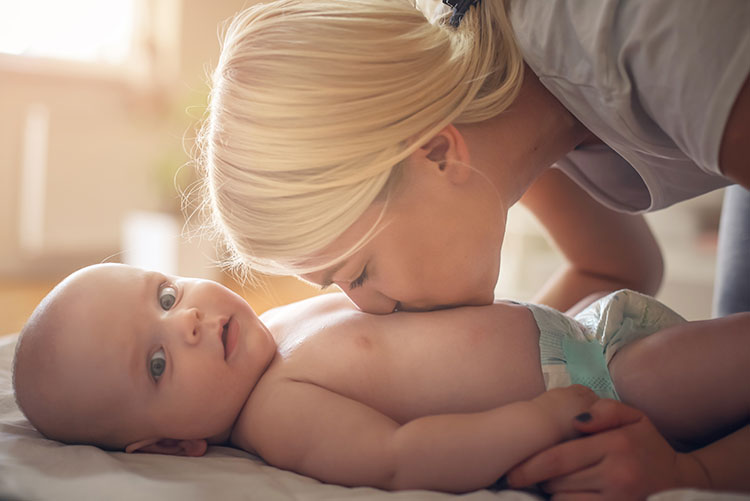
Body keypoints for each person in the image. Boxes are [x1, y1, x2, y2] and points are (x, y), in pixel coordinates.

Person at [194, 0, 750, 495]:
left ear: (438, 154)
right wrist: (505, 379)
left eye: (360, 271)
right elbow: (617, 264)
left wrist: (694, 476)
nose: (367, 308)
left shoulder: (635, 34)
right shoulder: (483, 95)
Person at [11, 263, 750, 495]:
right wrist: (538, 419)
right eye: (158, 362)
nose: (189, 323)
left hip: (590, 324)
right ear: (170, 445)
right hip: (608, 382)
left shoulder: (278, 325)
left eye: (167, 296)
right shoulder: (277, 413)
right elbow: (402, 452)